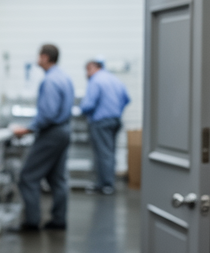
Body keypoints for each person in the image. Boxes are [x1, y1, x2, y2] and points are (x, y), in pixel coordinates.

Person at [12, 43, 75, 231]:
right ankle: (59, 220)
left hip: (51, 133)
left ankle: (31, 222)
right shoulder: (64, 77)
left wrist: (28, 129)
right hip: (64, 131)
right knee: (57, 179)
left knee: (28, 177)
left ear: (45, 57)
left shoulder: (49, 81)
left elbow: (48, 114)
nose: (37, 59)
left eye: (39, 56)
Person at [79, 58, 130, 195]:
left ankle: (106, 185)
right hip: (115, 120)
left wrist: (81, 110)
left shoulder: (95, 80)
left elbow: (89, 104)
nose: (87, 74)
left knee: (103, 154)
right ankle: (105, 182)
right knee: (110, 152)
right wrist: (116, 110)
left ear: (93, 67)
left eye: (87, 70)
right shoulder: (114, 80)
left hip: (101, 122)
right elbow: (127, 98)